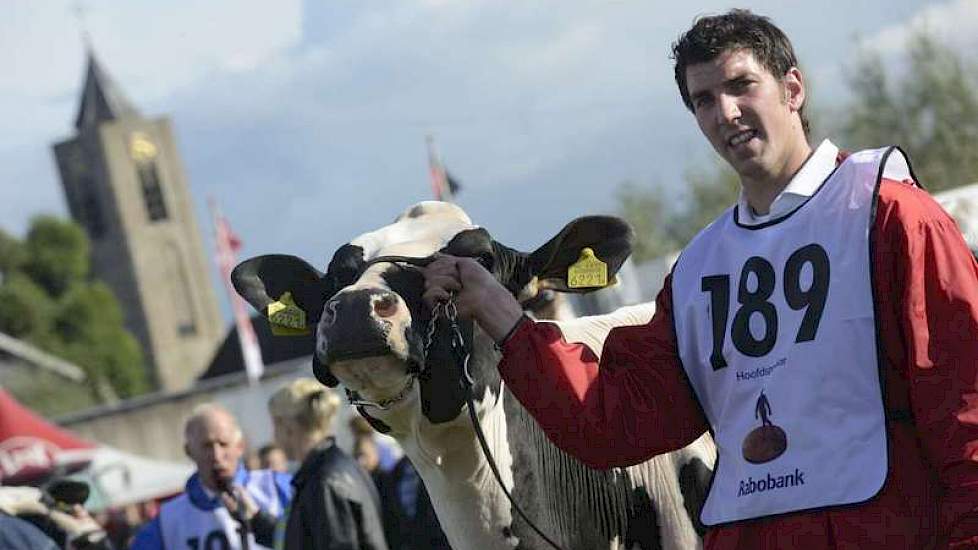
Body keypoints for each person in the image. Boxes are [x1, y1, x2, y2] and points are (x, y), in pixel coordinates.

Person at [421, 9, 978, 549]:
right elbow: (613, 422)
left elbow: (966, 404)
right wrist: (503, 315)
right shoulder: (699, 268)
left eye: (742, 85)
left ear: (793, 90)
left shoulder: (889, 215)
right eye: (704, 100)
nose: (726, 112)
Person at [130, 403, 292, 550]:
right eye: (206, 446)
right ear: (189, 451)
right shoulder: (168, 520)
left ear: (240, 446)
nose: (216, 455)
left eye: (223, 444)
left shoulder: (277, 488)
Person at [267, 378, 388, 550]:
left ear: (288, 427)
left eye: (274, 425)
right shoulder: (330, 469)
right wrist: (256, 520)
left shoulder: (324, 481)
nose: (273, 437)